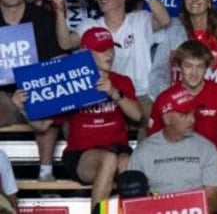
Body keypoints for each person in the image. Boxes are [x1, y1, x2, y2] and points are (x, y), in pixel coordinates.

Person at [16, 27, 140, 207]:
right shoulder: (72, 82)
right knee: (109, 159)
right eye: (102, 50)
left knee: (127, 164)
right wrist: (22, 109)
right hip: (82, 155)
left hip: (119, 149)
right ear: (86, 53)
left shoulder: (122, 81)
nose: (109, 54)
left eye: (111, 49)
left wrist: (113, 92)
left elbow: (137, 116)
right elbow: (42, 126)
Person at [56, 0, 171, 136]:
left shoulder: (139, 20)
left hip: (139, 94)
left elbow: (165, 20)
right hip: (101, 94)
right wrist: (59, 12)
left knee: (150, 122)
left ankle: (141, 161)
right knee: (72, 124)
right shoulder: (90, 25)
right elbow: (65, 43)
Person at [0, 0, 67, 181]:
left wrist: (36, 90)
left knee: (49, 106)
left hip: (35, 92)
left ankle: (45, 174)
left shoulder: (42, 18)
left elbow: (58, 60)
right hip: (2, 96)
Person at [148, 41, 217, 172]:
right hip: (175, 160)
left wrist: (208, 159)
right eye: (188, 66)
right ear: (179, 67)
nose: (194, 73)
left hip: (212, 158)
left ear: (207, 68)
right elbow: (154, 141)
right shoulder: (164, 98)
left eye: (200, 67)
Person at [128, 88, 217, 213]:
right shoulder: (143, 152)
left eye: (193, 113)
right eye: (185, 115)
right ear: (167, 118)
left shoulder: (206, 149)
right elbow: (134, 202)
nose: (192, 120)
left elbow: (213, 197)